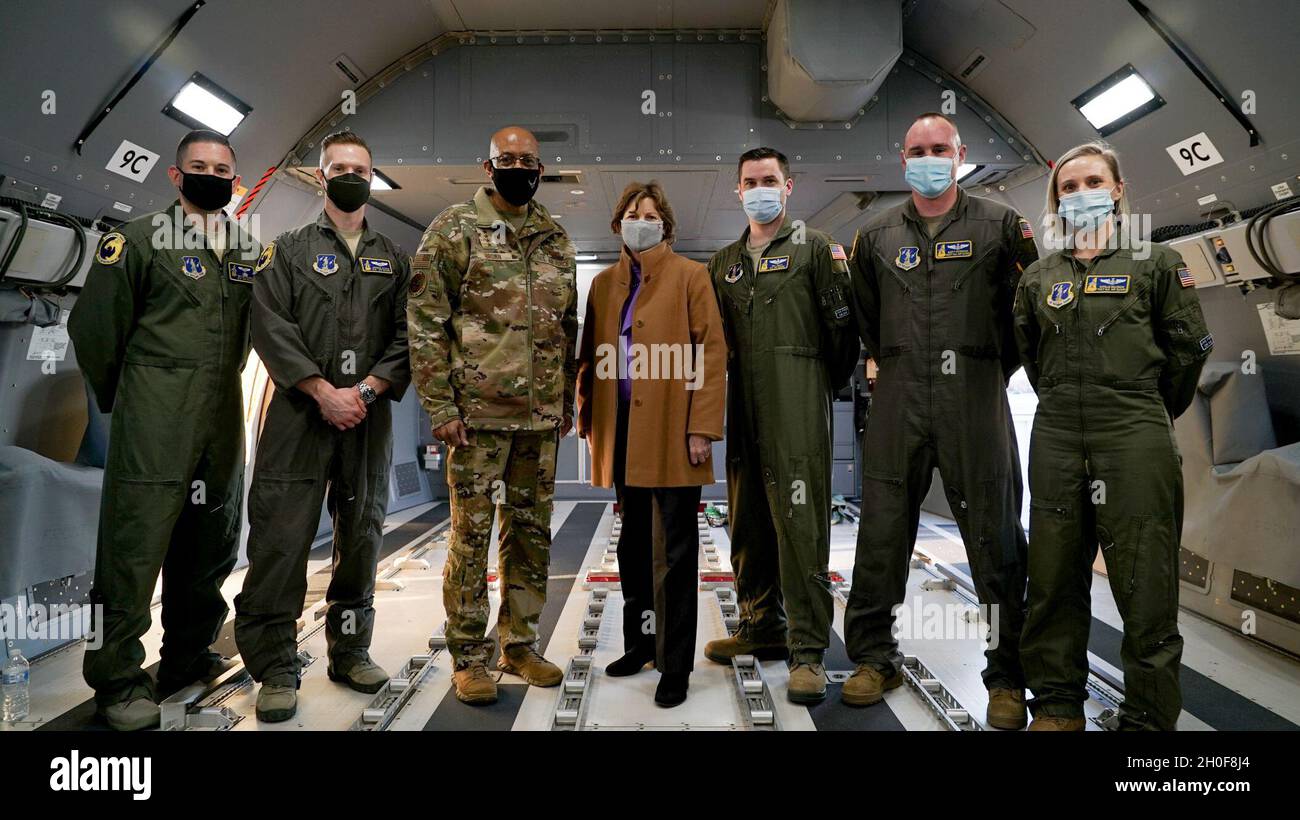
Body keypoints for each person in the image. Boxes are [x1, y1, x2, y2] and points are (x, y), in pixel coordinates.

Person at [843, 113, 1038, 728]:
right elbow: (866, 321)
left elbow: (1023, 316)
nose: (929, 158)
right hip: (900, 392)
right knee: (879, 534)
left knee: (996, 537)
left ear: (961, 154)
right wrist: (901, 364)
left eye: (940, 148)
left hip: (976, 396)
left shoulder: (1002, 226)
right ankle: (875, 657)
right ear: (903, 159)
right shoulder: (873, 237)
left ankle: (1008, 676)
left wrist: (986, 370)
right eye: (917, 150)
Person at [1013, 142, 1211, 731]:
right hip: (1055, 435)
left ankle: (1149, 716)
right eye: (1068, 188)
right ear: (1056, 200)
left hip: (1133, 433)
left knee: (1144, 580)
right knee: (1051, 574)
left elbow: (1188, 352)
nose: (1080, 194)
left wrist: (1143, 409)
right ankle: (1056, 703)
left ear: (1118, 189)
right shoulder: (1038, 277)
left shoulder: (1156, 262)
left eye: (1092, 182)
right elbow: (1031, 355)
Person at [69, 129, 261, 730]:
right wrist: (127, 399)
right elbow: (96, 331)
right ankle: (117, 678)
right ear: (176, 177)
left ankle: (186, 653)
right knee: (131, 551)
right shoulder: (136, 242)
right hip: (155, 416)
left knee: (210, 544)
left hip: (221, 416)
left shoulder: (245, 250)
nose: (211, 175)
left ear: (236, 180)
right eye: (198, 166)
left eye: (222, 168)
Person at [232, 131, 411, 722]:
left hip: (368, 418)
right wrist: (321, 391)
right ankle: (276, 666)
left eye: (360, 167)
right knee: (282, 540)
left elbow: (409, 336)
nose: (350, 176)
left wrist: (363, 391)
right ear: (320, 175)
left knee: (361, 537)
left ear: (372, 174)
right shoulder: (285, 250)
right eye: (339, 167)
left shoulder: (394, 255)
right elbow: (271, 325)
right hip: (299, 417)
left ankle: (350, 651)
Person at [408, 126, 578, 705]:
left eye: (528, 160)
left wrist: (566, 399)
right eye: (507, 159)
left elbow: (566, 328)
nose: (518, 168)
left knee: (531, 536)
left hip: (539, 420)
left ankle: (521, 645)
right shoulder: (454, 229)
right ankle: (469, 656)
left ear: (541, 168)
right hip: (475, 419)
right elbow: (427, 322)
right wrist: (439, 406)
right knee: (471, 537)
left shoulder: (555, 237)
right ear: (488, 166)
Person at [705, 147, 859, 704]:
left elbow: (843, 334)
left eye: (770, 180)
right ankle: (760, 624)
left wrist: (809, 379)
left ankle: (808, 649)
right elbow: (712, 341)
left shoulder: (816, 249)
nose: (760, 188)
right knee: (746, 520)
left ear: (788, 187)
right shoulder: (722, 263)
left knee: (801, 522)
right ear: (738, 190)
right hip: (742, 406)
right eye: (751, 181)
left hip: (796, 400)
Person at [576, 181, 726, 707]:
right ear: (618, 225)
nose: (643, 220)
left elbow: (710, 354)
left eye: (652, 213)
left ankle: (675, 664)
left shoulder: (691, 277)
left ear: (666, 224)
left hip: (673, 433)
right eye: (634, 214)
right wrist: (588, 420)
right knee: (632, 548)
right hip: (620, 435)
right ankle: (640, 642)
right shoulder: (600, 285)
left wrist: (702, 426)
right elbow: (589, 358)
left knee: (676, 555)